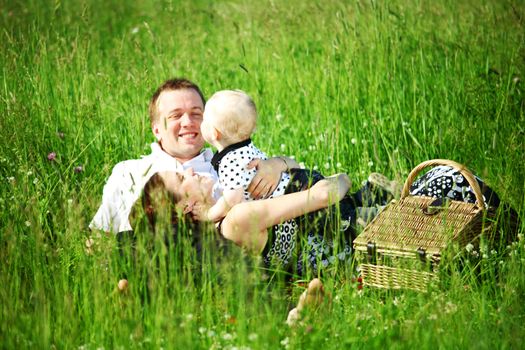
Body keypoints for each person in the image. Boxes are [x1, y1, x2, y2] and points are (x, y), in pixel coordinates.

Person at [89, 78, 297, 237]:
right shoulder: (129, 172)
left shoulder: (230, 164)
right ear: (156, 129)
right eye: (175, 115)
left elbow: (295, 174)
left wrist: (277, 164)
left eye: (197, 114)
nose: (188, 122)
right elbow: (98, 236)